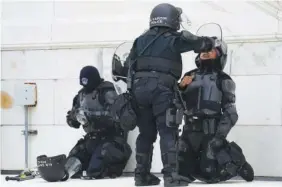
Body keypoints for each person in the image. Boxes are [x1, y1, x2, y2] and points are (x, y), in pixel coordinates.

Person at [114, 3, 218, 186]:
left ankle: (141, 175)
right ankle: (171, 177)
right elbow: (197, 43)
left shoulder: (140, 39)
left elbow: (130, 65)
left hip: (139, 90)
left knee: (145, 134)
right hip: (161, 88)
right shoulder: (173, 38)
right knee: (168, 132)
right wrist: (209, 42)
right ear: (172, 19)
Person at [178, 38, 254, 184]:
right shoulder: (189, 76)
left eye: (210, 50)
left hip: (211, 133)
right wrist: (180, 87)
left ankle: (237, 162)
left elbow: (231, 112)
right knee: (181, 174)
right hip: (189, 132)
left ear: (219, 54)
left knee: (209, 176)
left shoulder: (223, 79)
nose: (205, 53)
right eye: (203, 50)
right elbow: (175, 102)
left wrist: (219, 137)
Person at [37, 66, 132, 182]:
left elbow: (119, 116)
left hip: (111, 139)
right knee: (74, 158)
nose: (86, 87)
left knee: (95, 167)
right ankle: (63, 174)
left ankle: (99, 170)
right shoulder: (81, 95)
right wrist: (75, 117)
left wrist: (92, 116)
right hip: (91, 139)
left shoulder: (107, 91)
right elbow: (72, 121)